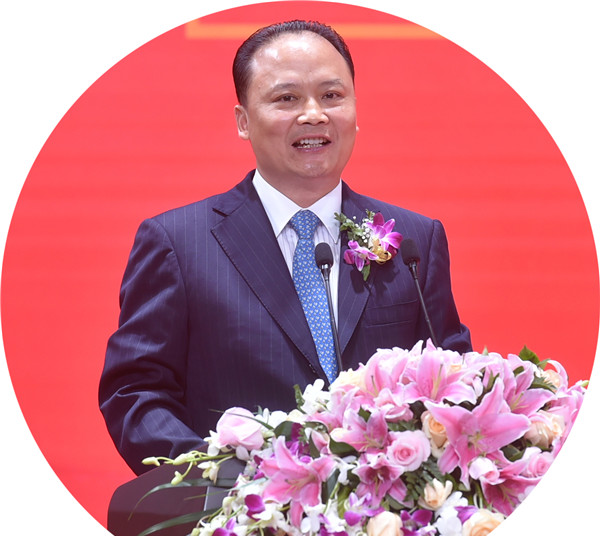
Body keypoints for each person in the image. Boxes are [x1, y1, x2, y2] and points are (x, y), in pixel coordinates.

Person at [99, 20, 471, 476]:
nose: (314, 114)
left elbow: (452, 382)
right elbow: (136, 393)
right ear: (243, 121)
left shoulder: (413, 241)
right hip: (239, 512)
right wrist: (226, 484)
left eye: (332, 96)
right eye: (287, 99)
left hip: (383, 511)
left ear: (356, 110)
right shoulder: (179, 243)